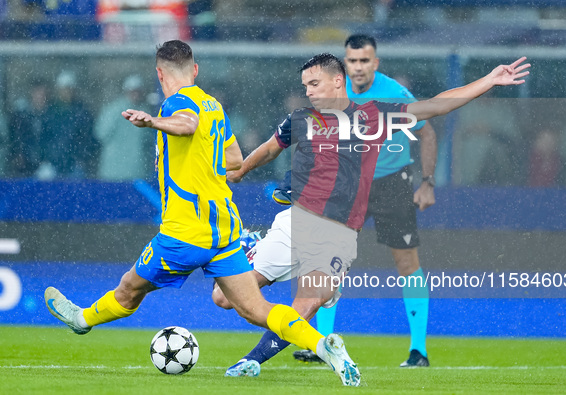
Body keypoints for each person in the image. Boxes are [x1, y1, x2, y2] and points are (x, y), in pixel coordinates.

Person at [43, 40, 361, 387]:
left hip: (184, 231)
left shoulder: (178, 103)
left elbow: (187, 124)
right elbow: (235, 161)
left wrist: (153, 122)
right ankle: (322, 345)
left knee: (129, 289)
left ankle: (83, 319)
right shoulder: (215, 106)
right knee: (255, 308)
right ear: (195, 70)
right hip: (223, 228)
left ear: (160, 74)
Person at [211, 52, 530, 376]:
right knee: (223, 297)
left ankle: (252, 360)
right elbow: (269, 148)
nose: (308, 91)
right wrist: (239, 172)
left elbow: (437, 104)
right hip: (297, 222)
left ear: (338, 82)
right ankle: (248, 245)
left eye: (315, 83)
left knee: (305, 306)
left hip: (338, 235)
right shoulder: (300, 119)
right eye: (305, 85)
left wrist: (490, 80)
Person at [294, 34, 438, 367]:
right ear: (344, 64)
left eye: (364, 61)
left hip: (391, 183)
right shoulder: (335, 91)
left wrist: (427, 183)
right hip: (349, 185)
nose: (358, 67)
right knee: (329, 262)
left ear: (375, 63)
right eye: (352, 61)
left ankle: (419, 351)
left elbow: (427, 130)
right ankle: (322, 343)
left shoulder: (392, 93)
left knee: (406, 262)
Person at [94, 74, 154, 181]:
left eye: (137, 91)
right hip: (113, 172)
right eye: (132, 91)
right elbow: (101, 134)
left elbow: (149, 140)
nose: (135, 94)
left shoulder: (145, 112)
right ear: (126, 91)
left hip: (136, 172)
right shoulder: (113, 110)